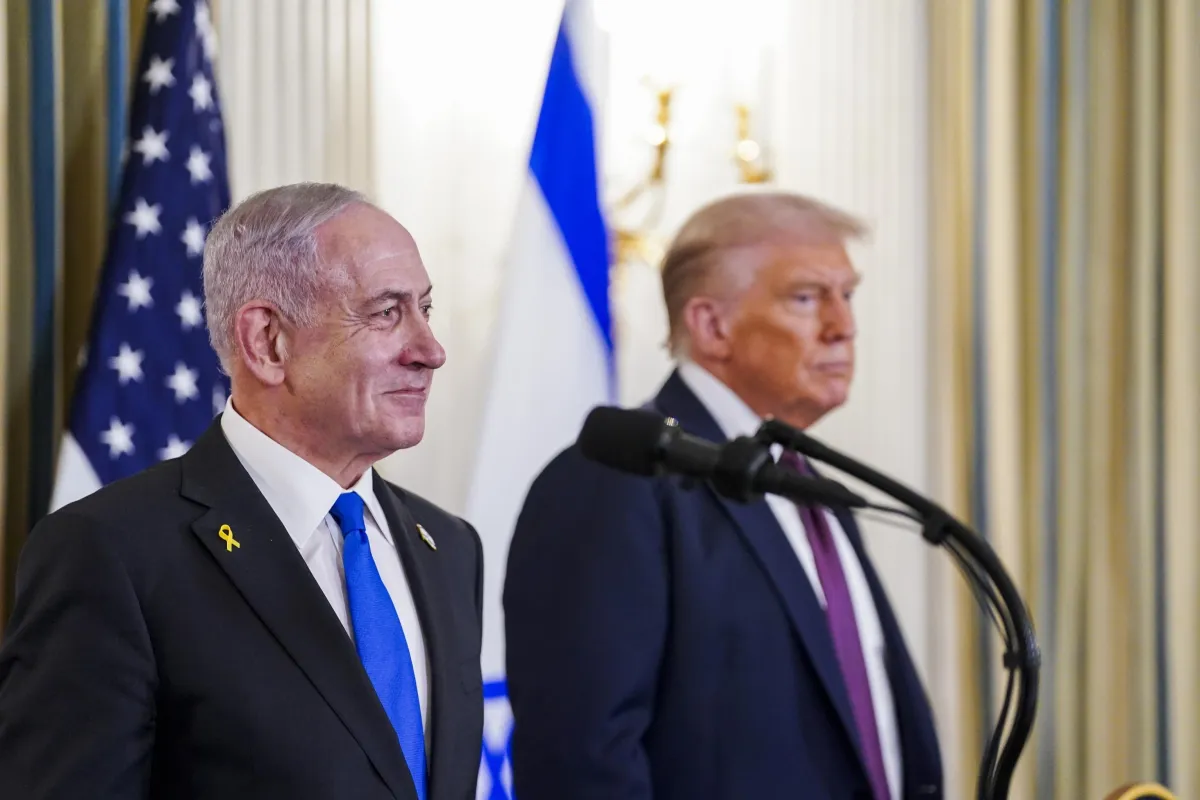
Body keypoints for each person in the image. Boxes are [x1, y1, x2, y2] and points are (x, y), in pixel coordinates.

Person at [0, 183, 484, 800]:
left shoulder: (449, 547)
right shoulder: (112, 555)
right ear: (267, 342)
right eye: (386, 312)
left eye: (425, 308)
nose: (430, 351)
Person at [503, 192, 942, 799]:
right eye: (806, 297)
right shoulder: (615, 480)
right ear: (712, 325)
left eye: (847, 295)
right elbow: (581, 758)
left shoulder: (806, 484)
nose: (844, 326)